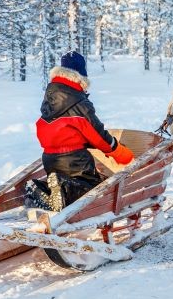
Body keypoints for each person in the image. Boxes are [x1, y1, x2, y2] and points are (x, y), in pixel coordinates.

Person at [28, 51, 134, 212]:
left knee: (64, 186)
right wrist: (118, 151)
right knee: (93, 191)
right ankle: (64, 190)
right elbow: (98, 135)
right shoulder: (78, 101)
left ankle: (39, 188)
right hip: (75, 160)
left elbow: (63, 129)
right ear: (81, 75)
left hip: (50, 159)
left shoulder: (51, 96)